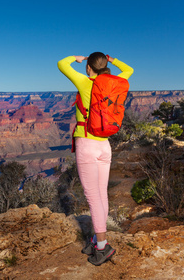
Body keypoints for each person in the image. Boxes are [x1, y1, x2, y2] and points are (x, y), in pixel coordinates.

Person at [57, 52, 134, 266]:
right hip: (105, 145)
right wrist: (113, 60)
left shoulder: (85, 81)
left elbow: (61, 64)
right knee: (101, 195)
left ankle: (102, 246)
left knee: (92, 197)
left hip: (87, 145)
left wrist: (76, 58)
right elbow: (129, 70)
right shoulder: (113, 83)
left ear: (89, 67)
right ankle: (95, 240)